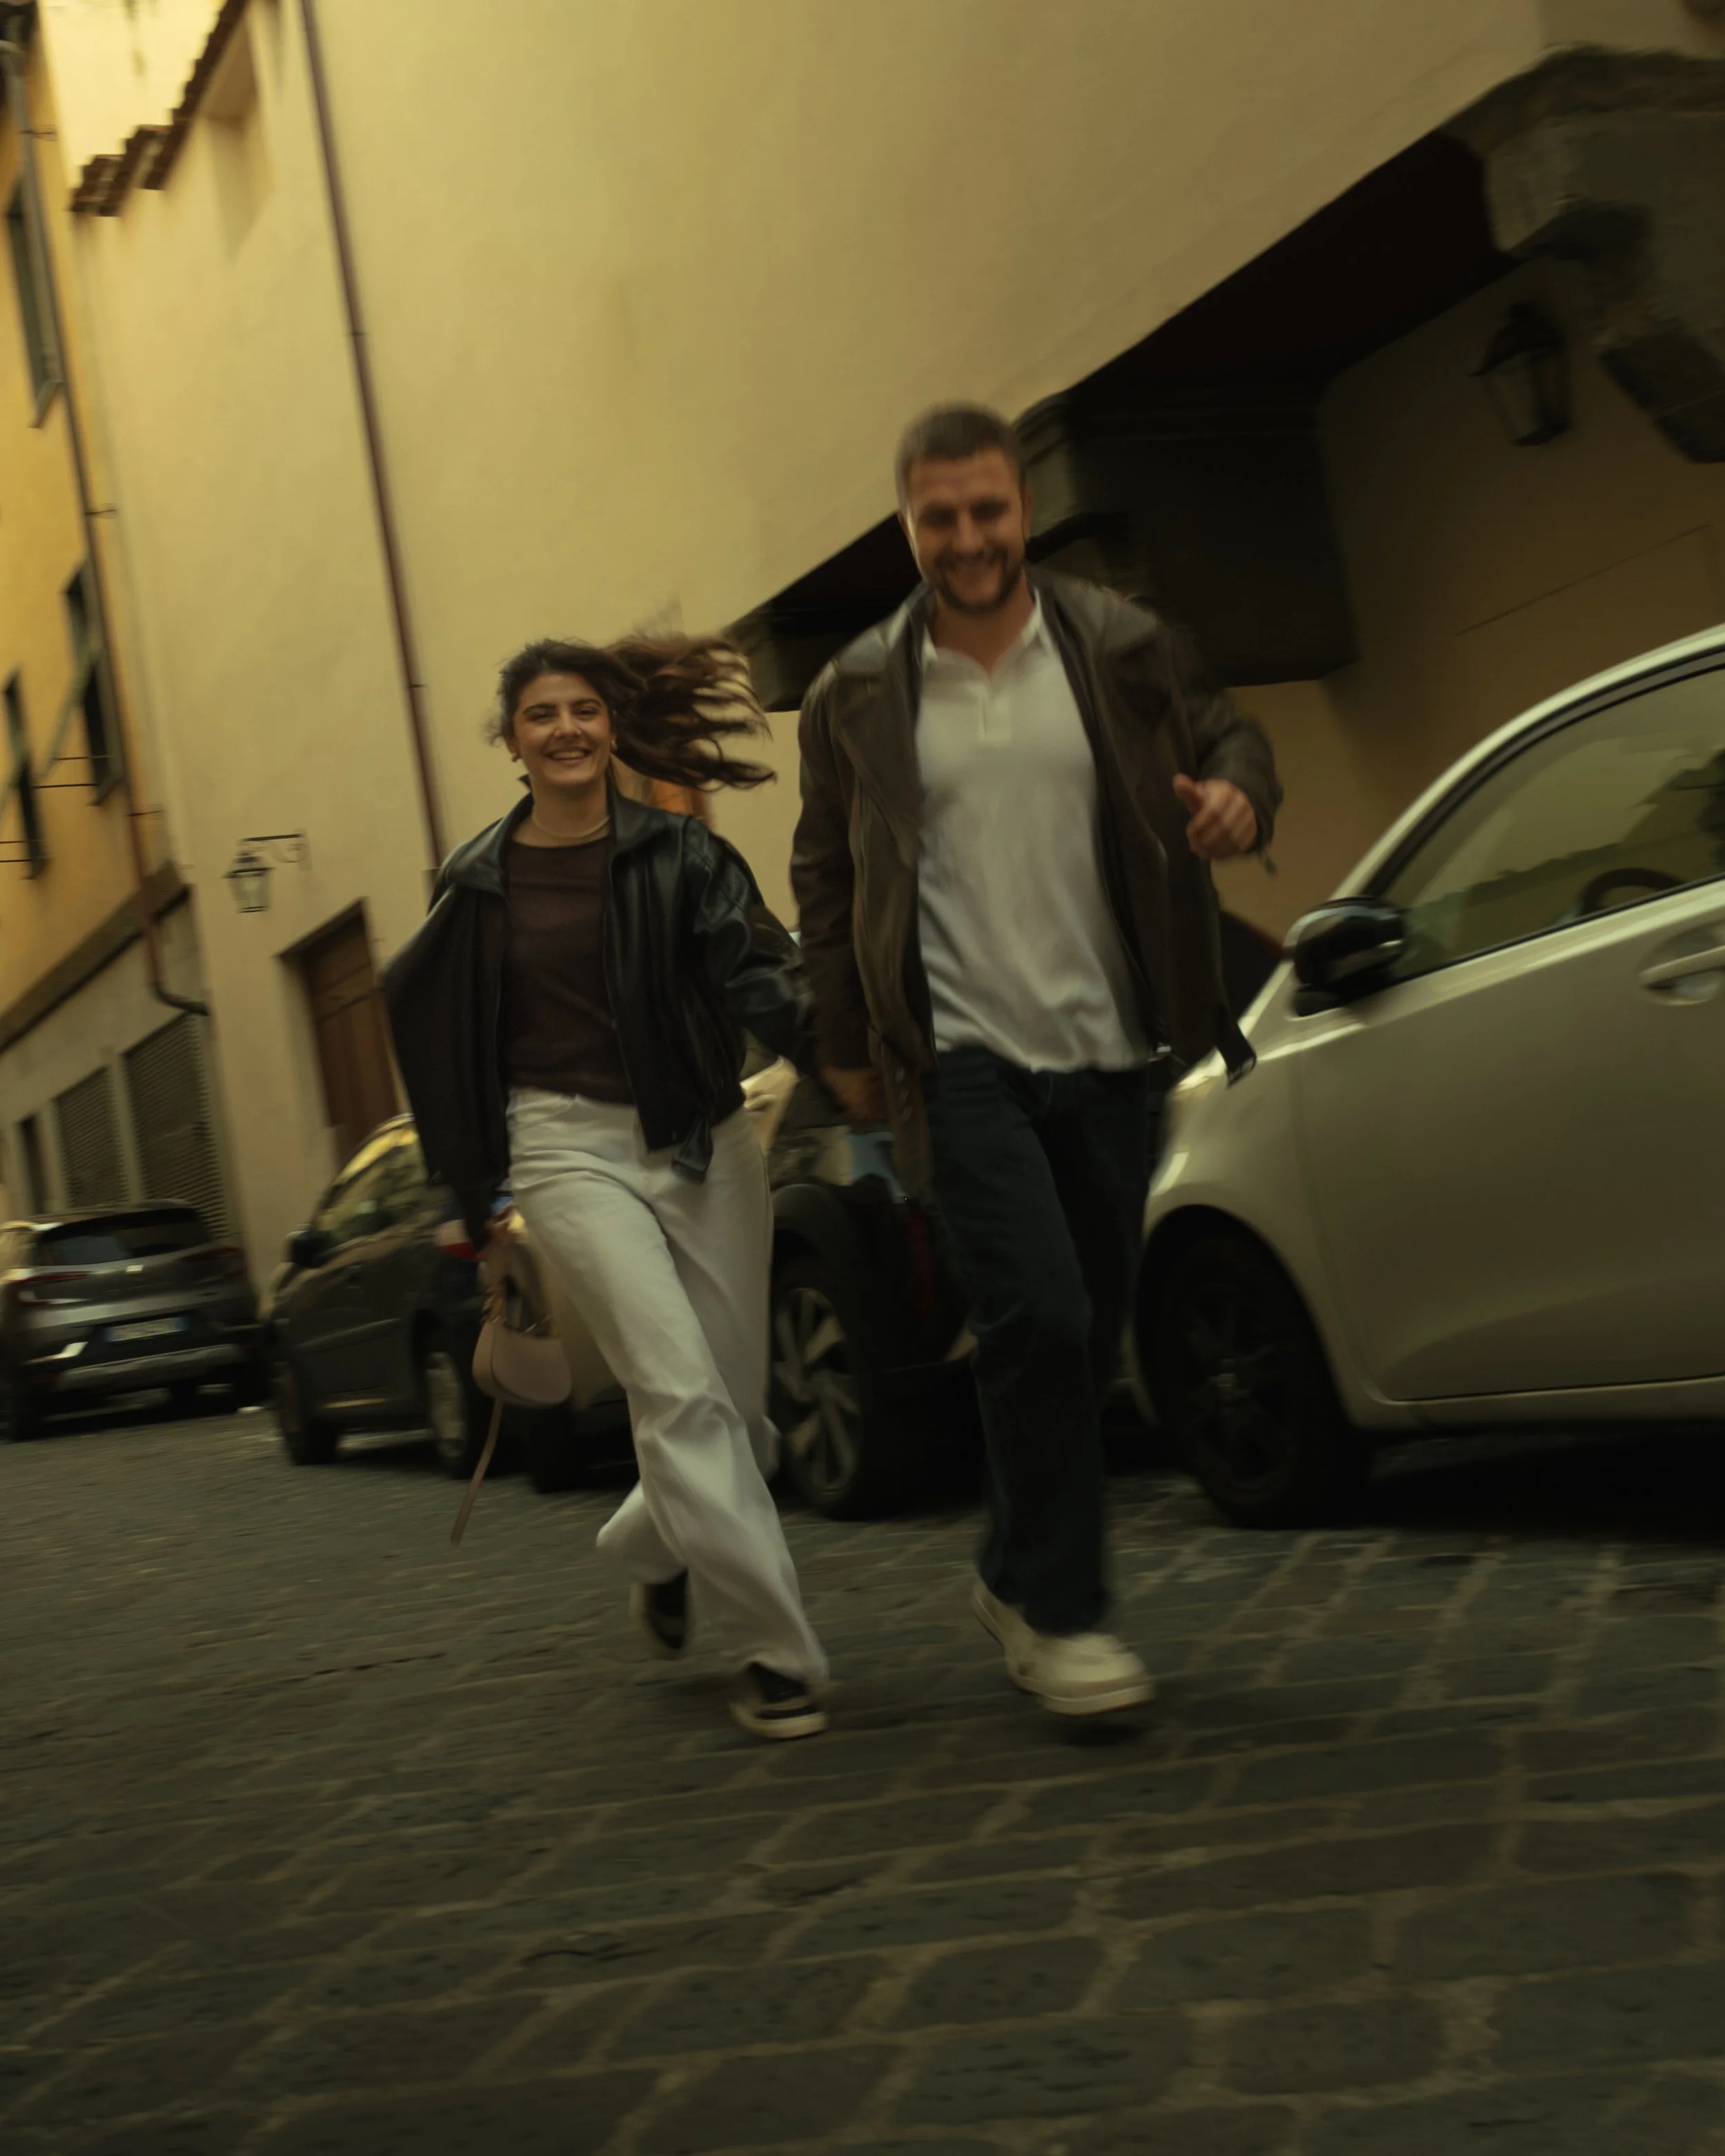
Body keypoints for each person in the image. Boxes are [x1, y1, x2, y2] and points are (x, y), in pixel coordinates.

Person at [791, 404, 1281, 1719]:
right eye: (939, 518)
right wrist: (843, 1042)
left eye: (988, 511)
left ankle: (1013, 1566)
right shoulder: (855, 692)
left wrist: (1240, 797)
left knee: (1082, 1327)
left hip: (1111, 1041)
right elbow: (827, 876)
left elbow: (1232, 736)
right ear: (907, 524)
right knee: (1039, 1314)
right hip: (960, 1055)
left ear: (1022, 509)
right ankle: (1066, 1616)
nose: (967, 539)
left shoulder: (1119, 643)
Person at [384, 634, 829, 1741]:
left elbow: (766, 976)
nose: (567, 729)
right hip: (561, 1147)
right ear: (511, 741)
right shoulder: (476, 881)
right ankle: (779, 1654)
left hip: (702, 1138)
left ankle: (655, 1543)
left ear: (610, 728)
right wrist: (473, 1187)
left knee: (738, 1407)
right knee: (675, 1389)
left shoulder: (684, 855)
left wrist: (853, 1062)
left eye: (584, 709)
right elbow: (442, 1031)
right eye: (542, 715)